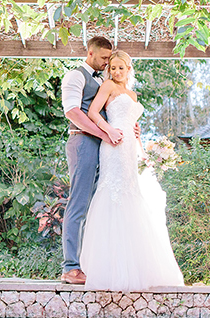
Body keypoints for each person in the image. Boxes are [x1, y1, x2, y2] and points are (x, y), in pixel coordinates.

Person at [79, 50, 184, 291]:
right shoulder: (107, 86)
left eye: (120, 68)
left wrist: (139, 141)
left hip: (129, 148)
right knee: (113, 192)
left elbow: (131, 120)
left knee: (132, 193)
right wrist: (110, 131)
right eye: (112, 68)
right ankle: (110, 268)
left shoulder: (133, 94)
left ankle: (137, 265)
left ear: (128, 69)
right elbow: (93, 113)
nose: (115, 72)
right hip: (113, 144)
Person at [59, 36, 116, 285]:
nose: (107, 62)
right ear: (90, 53)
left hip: (101, 146)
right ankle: (70, 267)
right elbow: (72, 111)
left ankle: (90, 263)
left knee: (98, 205)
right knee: (78, 204)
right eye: (104, 58)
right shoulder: (75, 75)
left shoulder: (103, 79)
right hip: (82, 142)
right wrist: (104, 133)